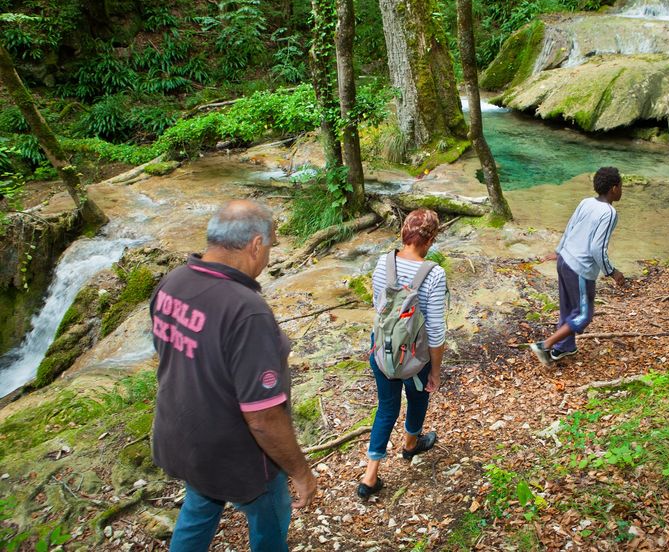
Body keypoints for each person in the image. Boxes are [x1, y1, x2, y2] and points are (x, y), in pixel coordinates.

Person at [151, 200, 317, 552]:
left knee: (198, 508)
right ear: (256, 245)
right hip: (237, 455)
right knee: (270, 519)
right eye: (270, 245)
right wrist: (301, 472)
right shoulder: (246, 311)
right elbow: (263, 417)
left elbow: (172, 356)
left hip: (182, 438)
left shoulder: (172, 283)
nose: (269, 255)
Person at [358, 208, 448, 499]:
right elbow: (435, 331)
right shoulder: (434, 274)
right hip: (414, 356)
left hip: (381, 351)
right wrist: (435, 371)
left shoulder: (383, 264)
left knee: (386, 407)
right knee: (419, 394)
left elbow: (379, 307)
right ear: (431, 239)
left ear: (403, 233)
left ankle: (370, 476)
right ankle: (411, 444)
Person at [530, 167, 626, 366]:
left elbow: (570, 226)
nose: (621, 190)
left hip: (565, 260)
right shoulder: (609, 213)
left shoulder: (586, 202)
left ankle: (564, 348)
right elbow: (597, 248)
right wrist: (612, 271)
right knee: (583, 315)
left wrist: (558, 251)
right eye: (621, 186)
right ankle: (545, 345)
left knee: (568, 309)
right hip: (579, 268)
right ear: (614, 188)